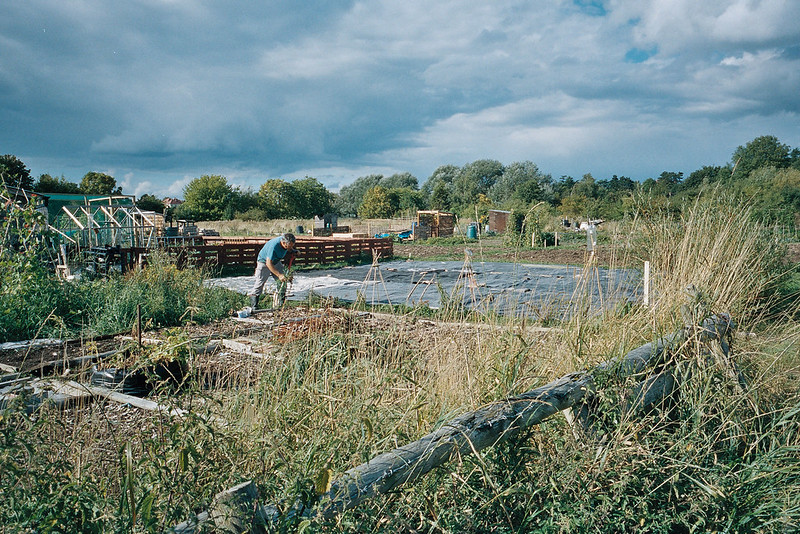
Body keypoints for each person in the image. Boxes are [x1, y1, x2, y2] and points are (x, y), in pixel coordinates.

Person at [247, 232, 297, 309]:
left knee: (283, 281)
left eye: (291, 246)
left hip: (276, 261)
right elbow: (268, 263)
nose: (289, 248)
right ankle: (254, 305)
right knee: (260, 282)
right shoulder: (274, 246)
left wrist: (294, 251)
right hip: (264, 262)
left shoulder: (286, 242)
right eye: (288, 246)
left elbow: (289, 248)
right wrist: (279, 275)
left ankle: (280, 304)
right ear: (283, 243)